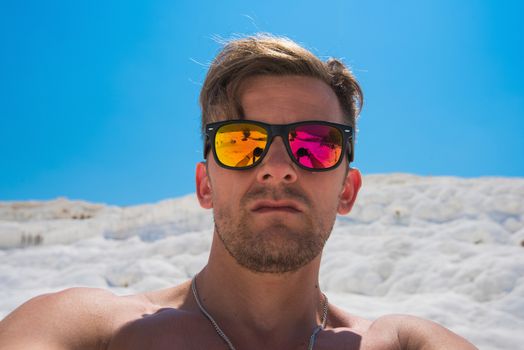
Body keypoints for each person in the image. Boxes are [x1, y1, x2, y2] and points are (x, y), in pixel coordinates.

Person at [0, 34, 477, 350]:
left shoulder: (397, 343)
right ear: (205, 185)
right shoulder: (90, 329)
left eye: (314, 144)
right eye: (240, 142)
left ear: (348, 191)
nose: (277, 168)